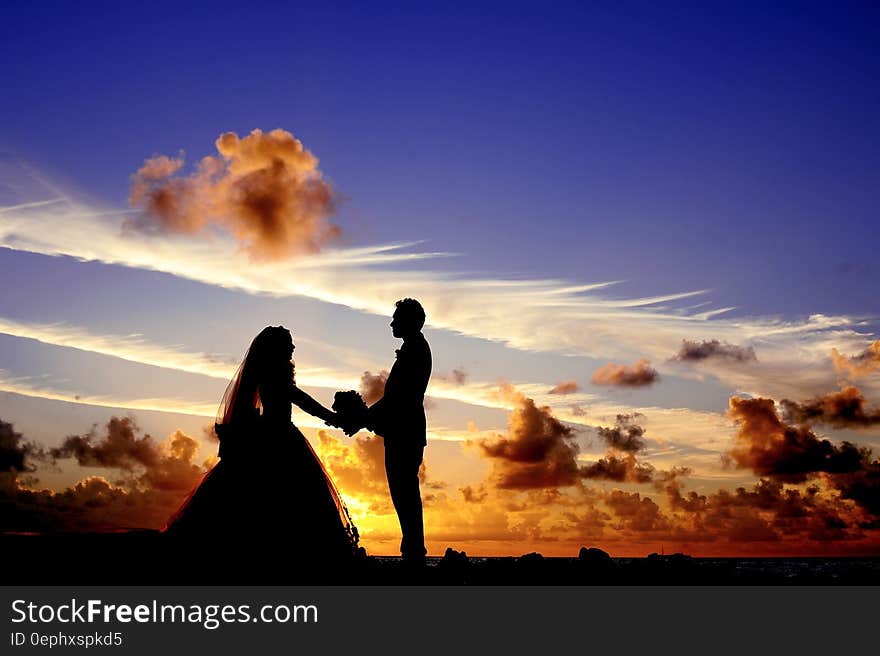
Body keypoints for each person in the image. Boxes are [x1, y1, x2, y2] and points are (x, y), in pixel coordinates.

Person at [163, 326, 358, 578]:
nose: (293, 348)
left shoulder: (274, 371)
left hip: (274, 436)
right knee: (287, 499)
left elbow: (300, 400)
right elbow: (301, 400)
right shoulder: (275, 372)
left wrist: (333, 417)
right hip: (278, 439)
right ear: (276, 348)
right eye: (289, 343)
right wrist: (333, 417)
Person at [362, 298, 432, 563]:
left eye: (396, 318)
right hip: (403, 430)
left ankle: (414, 553)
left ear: (410, 321)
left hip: (406, 431)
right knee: (403, 494)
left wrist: (364, 416)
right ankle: (412, 550)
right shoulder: (413, 348)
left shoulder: (415, 350)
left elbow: (399, 398)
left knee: (405, 494)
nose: (392, 322)